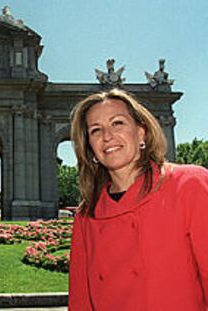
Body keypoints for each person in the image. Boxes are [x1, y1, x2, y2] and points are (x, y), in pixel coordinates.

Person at [68, 88, 208, 310]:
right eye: (96, 130)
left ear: (141, 132)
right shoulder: (87, 214)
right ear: (91, 148)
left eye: (118, 123)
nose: (107, 136)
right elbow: (80, 301)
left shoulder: (189, 185)